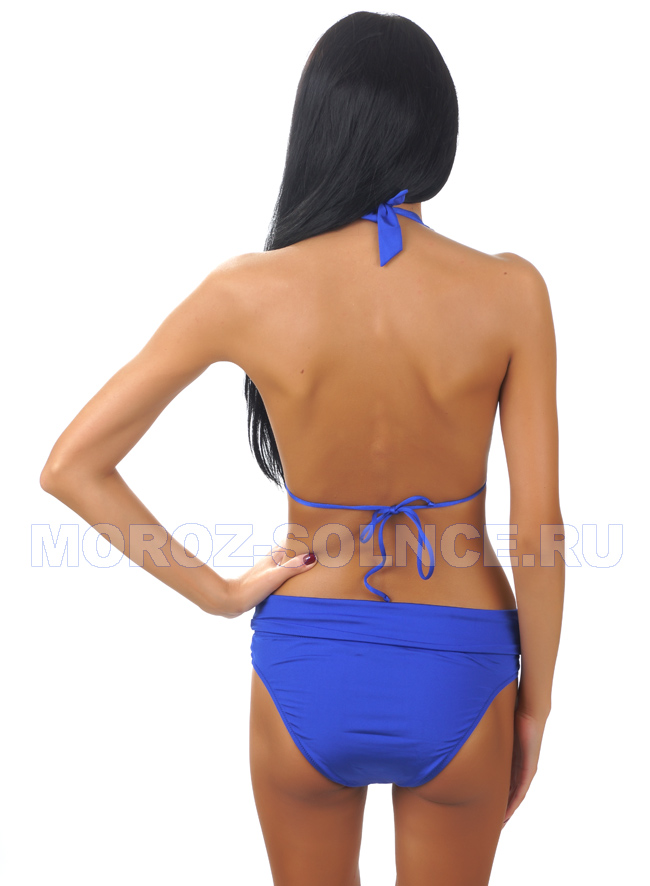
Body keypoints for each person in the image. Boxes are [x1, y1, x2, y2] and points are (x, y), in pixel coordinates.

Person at [40, 10, 565, 886]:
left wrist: (217, 594)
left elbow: (71, 466)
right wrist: (535, 706)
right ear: (439, 131)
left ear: (318, 127)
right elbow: (539, 527)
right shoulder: (512, 292)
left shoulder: (246, 290)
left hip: (306, 660)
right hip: (462, 665)